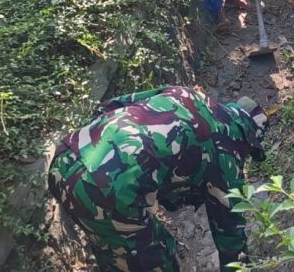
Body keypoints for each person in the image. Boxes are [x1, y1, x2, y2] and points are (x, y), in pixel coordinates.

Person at [48, 86, 269, 272]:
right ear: (247, 138)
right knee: (158, 260)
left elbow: (115, 104)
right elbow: (230, 234)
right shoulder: (227, 152)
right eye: (250, 152)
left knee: (114, 253)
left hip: (67, 156)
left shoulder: (186, 94)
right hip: (108, 187)